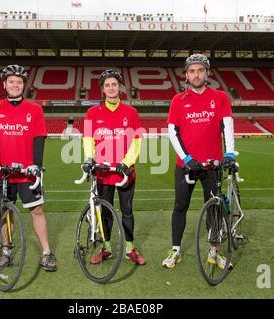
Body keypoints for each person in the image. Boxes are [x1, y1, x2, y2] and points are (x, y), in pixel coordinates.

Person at [162, 54, 236, 269]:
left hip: (212, 165)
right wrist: (187, 158)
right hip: (186, 165)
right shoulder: (178, 100)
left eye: (200, 70)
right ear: (186, 75)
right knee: (180, 206)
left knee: (214, 208)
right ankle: (175, 250)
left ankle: (214, 252)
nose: (196, 74)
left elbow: (227, 125)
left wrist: (229, 154)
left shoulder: (220, 97)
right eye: (192, 71)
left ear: (207, 73)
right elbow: (172, 132)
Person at [0, 64, 57, 272]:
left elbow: (39, 138)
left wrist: (36, 165)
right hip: (4, 172)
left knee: (37, 210)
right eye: (12, 82)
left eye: (19, 82)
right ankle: (6, 252)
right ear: (5, 84)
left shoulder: (35, 109)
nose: (15, 85)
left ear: (24, 85)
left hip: (27, 172)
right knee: (5, 212)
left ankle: (46, 253)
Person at [81, 69, 147, 265]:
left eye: (114, 84)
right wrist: (90, 158)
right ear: (102, 90)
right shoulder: (92, 112)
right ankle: (106, 248)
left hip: (124, 172)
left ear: (120, 88)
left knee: (127, 211)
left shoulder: (131, 112)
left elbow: (137, 141)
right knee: (105, 212)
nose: (111, 88)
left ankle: (130, 249)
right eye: (107, 85)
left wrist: (126, 163)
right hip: (102, 173)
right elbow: (87, 139)